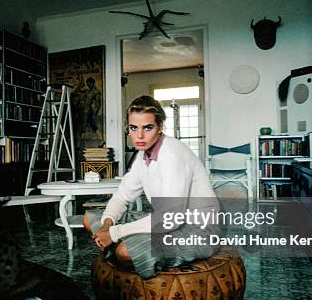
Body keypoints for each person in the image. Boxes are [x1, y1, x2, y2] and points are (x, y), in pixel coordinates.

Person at [83, 95, 220, 279]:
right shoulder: (143, 154)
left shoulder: (172, 155)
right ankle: (119, 245)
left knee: (125, 252)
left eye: (148, 128)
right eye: (134, 128)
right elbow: (122, 196)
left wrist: (114, 233)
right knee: (89, 218)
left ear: (160, 127)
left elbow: (170, 219)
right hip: (166, 222)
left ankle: (121, 249)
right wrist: (107, 224)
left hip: (198, 231)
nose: (139, 136)